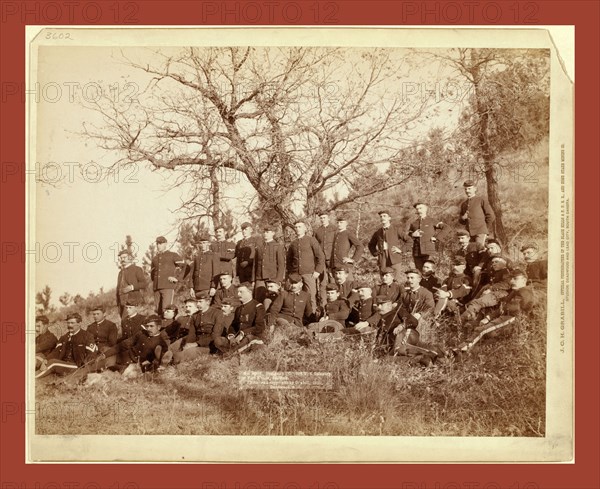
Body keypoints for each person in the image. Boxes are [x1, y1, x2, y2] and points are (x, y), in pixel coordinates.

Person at [453, 269, 534, 354]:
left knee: (482, 330)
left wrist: (494, 317)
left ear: (524, 280)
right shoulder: (515, 291)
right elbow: (504, 307)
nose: (511, 281)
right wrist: (488, 317)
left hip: (513, 319)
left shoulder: (525, 292)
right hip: (507, 317)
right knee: (481, 330)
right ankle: (468, 350)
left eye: (515, 279)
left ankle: (459, 350)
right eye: (511, 278)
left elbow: (514, 310)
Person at [36, 313, 98, 379]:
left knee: (53, 363)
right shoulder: (64, 337)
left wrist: (84, 368)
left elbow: (91, 355)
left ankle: (33, 378)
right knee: (49, 361)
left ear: (79, 323)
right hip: (64, 363)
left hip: (77, 365)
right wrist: (46, 360)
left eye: (72, 323)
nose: (70, 325)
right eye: (68, 323)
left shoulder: (87, 336)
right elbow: (56, 352)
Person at [101, 315, 168, 373]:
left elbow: (159, 361)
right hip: (123, 357)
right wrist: (105, 354)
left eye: (151, 326)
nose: (148, 329)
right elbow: (124, 344)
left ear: (158, 327)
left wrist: (150, 362)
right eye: (147, 326)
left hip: (134, 367)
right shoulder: (141, 333)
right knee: (99, 363)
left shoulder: (161, 343)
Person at [286, 219, 326, 313]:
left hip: (309, 274)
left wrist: (317, 271)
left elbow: (320, 256)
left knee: (311, 295)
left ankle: (312, 316)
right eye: (296, 227)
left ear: (305, 229)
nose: (297, 229)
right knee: (295, 295)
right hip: (296, 275)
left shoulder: (311, 240)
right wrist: (291, 273)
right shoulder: (293, 243)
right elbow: (289, 260)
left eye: (300, 227)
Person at [214, 284, 266, 354]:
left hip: (252, 337)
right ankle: (234, 352)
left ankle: (230, 355)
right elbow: (233, 325)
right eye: (238, 292)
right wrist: (231, 336)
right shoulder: (239, 308)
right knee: (218, 340)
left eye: (241, 292)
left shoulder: (258, 307)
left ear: (250, 292)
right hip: (238, 338)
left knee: (248, 338)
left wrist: (243, 333)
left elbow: (259, 326)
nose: (238, 294)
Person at [461, 256, 512, 321]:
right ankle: (469, 316)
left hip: (501, 293)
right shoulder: (496, 272)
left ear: (504, 263)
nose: (493, 264)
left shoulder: (506, 272)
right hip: (495, 292)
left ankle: (462, 319)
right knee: (479, 298)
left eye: (496, 262)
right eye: (492, 262)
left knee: (477, 303)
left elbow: (507, 284)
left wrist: (491, 288)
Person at [368, 210, 407, 284]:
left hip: (395, 259)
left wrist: (401, 250)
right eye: (381, 217)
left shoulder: (396, 230)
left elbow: (409, 240)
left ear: (389, 218)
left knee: (395, 281)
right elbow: (371, 245)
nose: (382, 218)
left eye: (384, 216)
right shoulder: (378, 232)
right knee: (384, 280)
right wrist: (376, 253)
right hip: (383, 260)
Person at [150, 236, 185, 316]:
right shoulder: (155, 258)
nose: (158, 246)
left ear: (166, 244)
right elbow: (152, 273)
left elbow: (185, 267)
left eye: (161, 243)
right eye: (157, 244)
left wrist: (177, 278)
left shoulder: (172, 255)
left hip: (167, 287)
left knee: (167, 310)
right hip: (156, 288)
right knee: (158, 311)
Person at [407, 203, 446, 271]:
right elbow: (408, 236)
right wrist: (413, 234)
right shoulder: (414, 223)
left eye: (421, 208)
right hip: (417, 253)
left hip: (429, 251)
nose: (419, 210)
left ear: (426, 209)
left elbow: (446, 228)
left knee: (429, 272)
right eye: (417, 209)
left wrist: (436, 237)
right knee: (419, 273)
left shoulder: (432, 220)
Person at [459, 180, 496, 250]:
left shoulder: (481, 200)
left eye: (469, 188)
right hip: (469, 234)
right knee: (470, 252)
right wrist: (463, 218)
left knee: (479, 251)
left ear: (475, 189)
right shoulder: (464, 204)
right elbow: (461, 221)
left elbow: (491, 215)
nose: (467, 191)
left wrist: (484, 228)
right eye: (465, 189)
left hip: (480, 232)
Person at [254, 225, 285, 303]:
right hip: (260, 278)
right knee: (258, 300)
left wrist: (278, 280)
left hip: (272, 278)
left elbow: (281, 265)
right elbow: (255, 264)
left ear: (273, 233)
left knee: (272, 300)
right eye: (264, 232)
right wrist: (253, 280)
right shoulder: (259, 247)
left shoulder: (277, 246)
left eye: (268, 232)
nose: (265, 234)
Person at [116, 250, 147, 318]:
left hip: (134, 302)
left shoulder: (137, 269)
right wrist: (118, 304)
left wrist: (132, 287)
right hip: (122, 304)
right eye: (121, 258)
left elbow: (144, 283)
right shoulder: (120, 273)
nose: (122, 260)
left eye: (124, 257)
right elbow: (118, 289)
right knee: (124, 324)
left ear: (130, 257)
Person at [314, 210, 337, 277]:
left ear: (328, 218)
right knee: (322, 280)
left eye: (324, 218)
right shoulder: (318, 231)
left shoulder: (334, 229)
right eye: (321, 218)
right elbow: (316, 244)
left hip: (332, 258)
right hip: (321, 259)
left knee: (332, 278)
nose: (323, 220)